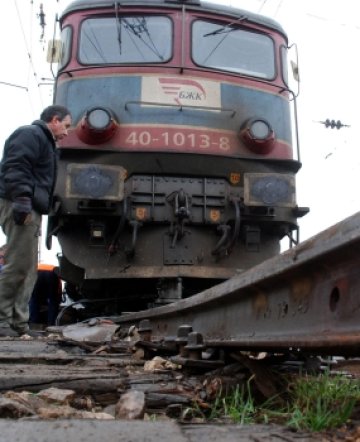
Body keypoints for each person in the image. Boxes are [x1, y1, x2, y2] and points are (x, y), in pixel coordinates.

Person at [0, 105, 72, 337]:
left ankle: (17, 325)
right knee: (18, 266)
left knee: (28, 269)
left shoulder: (43, 140)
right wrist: (22, 198)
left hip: (29, 205)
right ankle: (3, 321)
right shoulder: (31, 134)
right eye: (66, 126)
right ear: (54, 120)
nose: (67, 132)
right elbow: (16, 165)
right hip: (20, 203)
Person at [29, 263, 63, 327]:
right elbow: (59, 289)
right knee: (53, 300)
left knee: (34, 299)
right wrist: (58, 299)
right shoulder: (57, 272)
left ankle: (33, 323)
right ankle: (51, 324)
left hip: (36, 272)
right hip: (52, 273)